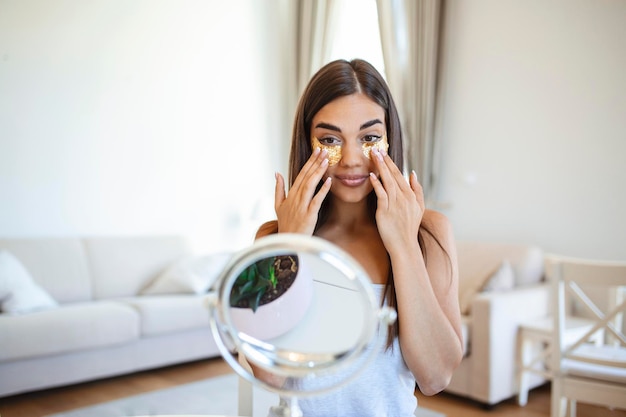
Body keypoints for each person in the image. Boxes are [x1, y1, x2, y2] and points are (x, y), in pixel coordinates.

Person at [255, 58, 463, 416]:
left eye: (369, 137)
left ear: (389, 138)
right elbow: (267, 375)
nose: (351, 159)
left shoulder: (430, 233)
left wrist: (403, 245)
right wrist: (292, 246)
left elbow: (436, 377)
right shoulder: (273, 236)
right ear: (308, 143)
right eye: (330, 140)